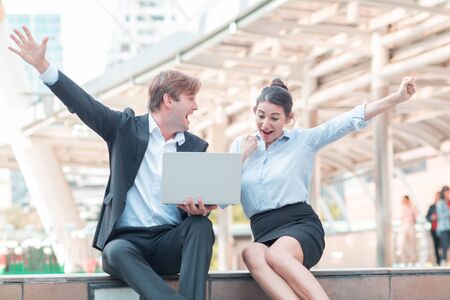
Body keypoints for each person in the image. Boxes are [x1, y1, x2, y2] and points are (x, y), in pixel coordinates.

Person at [9, 26, 217, 300]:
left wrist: (198, 210)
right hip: (128, 246)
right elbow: (84, 104)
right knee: (117, 251)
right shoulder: (124, 128)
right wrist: (43, 66)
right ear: (169, 100)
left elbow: (194, 212)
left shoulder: (194, 147)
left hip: (169, 242)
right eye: (191, 99)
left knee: (201, 226)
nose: (196, 107)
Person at [230, 76, 416, 300]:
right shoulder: (241, 146)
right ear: (254, 111)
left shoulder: (303, 141)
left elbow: (347, 121)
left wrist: (397, 97)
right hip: (262, 230)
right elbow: (222, 198)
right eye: (260, 116)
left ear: (290, 118)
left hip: (299, 225)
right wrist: (240, 158)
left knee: (278, 255)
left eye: (274, 117)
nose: (265, 124)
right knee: (251, 253)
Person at [398, 195, 417, 265]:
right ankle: (405, 261)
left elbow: (415, 217)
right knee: (402, 244)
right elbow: (401, 219)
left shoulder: (413, 207)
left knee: (412, 244)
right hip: (404, 226)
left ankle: (413, 261)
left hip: (411, 225)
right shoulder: (402, 208)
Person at [426, 191, 441, 265]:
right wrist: (432, 218)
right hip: (434, 229)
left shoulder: (444, 204)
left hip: (442, 229)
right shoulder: (432, 206)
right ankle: (438, 261)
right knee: (436, 245)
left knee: (443, 245)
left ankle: (442, 260)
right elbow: (427, 217)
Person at [436, 185, 450, 266]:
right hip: (443, 227)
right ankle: (443, 261)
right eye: (447, 192)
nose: (448, 193)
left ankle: (445, 260)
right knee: (445, 245)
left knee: (447, 245)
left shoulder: (447, 202)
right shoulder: (440, 202)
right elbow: (440, 215)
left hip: (448, 227)